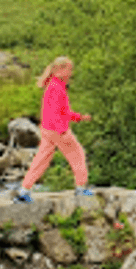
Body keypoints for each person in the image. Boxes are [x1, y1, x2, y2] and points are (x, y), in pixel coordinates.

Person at [13, 57, 94, 202]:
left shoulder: (52, 84)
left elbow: (55, 111)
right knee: (78, 155)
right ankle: (81, 188)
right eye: (69, 69)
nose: (71, 73)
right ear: (60, 70)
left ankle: (24, 191)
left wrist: (78, 118)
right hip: (58, 130)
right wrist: (71, 124)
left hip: (47, 130)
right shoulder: (58, 87)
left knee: (41, 160)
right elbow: (61, 112)